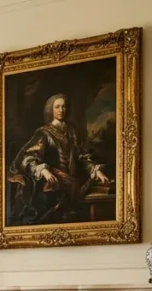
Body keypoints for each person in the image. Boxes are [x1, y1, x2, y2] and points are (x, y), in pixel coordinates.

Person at [7, 93, 110, 225]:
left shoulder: (72, 132)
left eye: (63, 107)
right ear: (51, 110)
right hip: (51, 182)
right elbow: (28, 157)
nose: (61, 110)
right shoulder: (44, 133)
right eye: (57, 107)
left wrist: (95, 171)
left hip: (72, 180)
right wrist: (44, 171)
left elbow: (82, 156)